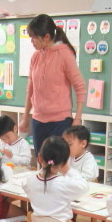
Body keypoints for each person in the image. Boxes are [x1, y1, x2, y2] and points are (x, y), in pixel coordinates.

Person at [19, 14, 86, 154]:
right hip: (38, 120)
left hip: (60, 121)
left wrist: (77, 118)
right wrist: (25, 117)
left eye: (34, 37)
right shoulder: (35, 57)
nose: (31, 41)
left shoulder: (65, 54)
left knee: (57, 161)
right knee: (42, 160)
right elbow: (30, 89)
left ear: (46, 37)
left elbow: (80, 87)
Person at [21, 135, 89, 222]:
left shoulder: (30, 180)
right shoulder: (64, 183)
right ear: (65, 162)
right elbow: (84, 186)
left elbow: (25, 186)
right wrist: (68, 170)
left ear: (40, 157)